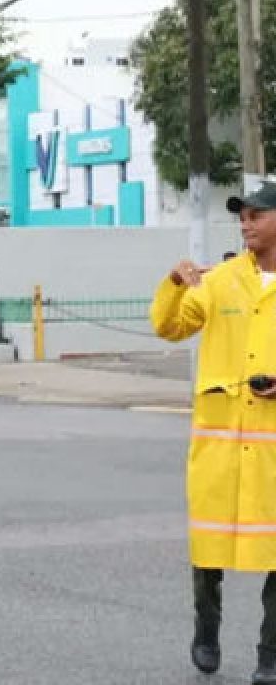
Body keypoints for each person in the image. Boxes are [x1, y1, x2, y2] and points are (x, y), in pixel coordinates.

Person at [150, 180, 276, 684]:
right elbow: (169, 327)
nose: (245, 223)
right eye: (241, 216)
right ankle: (207, 630)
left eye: (256, 215)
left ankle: (270, 655)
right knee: (208, 548)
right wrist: (176, 284)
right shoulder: (221, 280)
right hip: (220, 443)